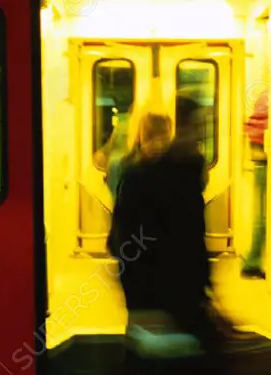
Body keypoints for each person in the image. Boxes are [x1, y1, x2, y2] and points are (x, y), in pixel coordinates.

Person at [108, 96, 224, 374]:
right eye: (195, 128)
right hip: (166, 294)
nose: (199, 135)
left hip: (168, 292)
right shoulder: (154, 178)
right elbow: (133, 240)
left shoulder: (147, 173)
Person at [241, 90, 269, 279]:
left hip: (257, 159)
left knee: (259, 215)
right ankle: (252, 263)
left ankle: (252, 260)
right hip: (264, 162)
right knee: (262, 217)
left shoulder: (263, 97)